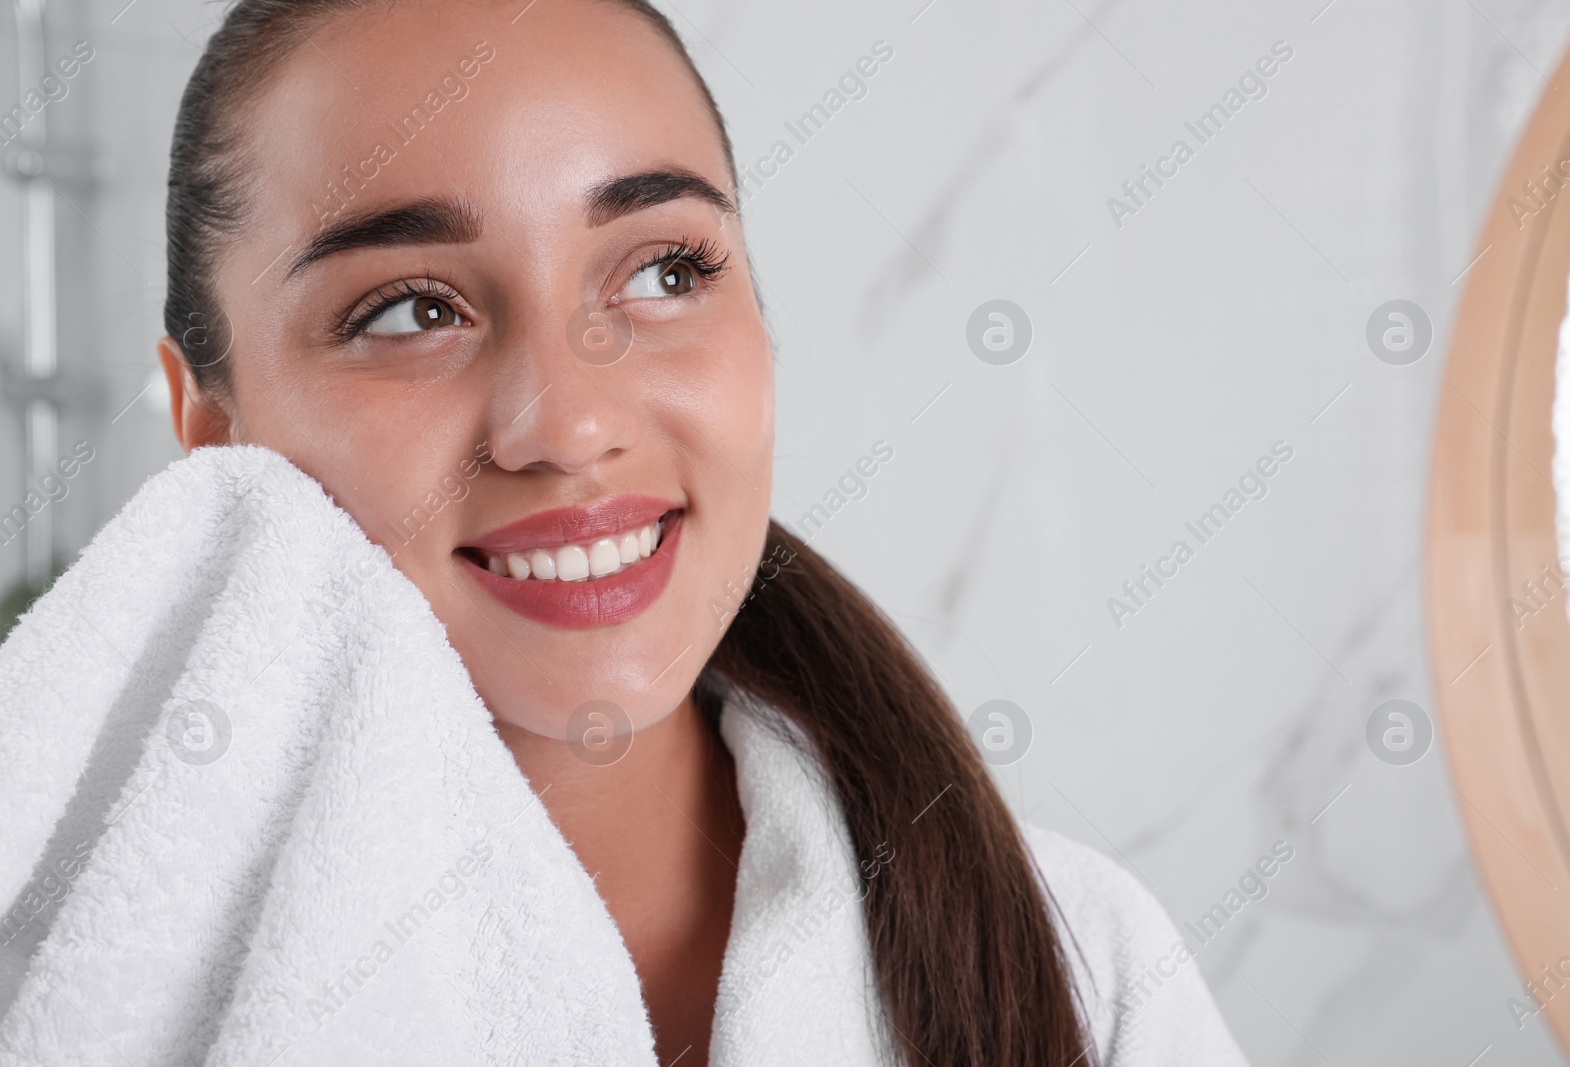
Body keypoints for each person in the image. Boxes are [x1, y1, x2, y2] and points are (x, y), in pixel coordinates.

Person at [8, 0, 1249, 1063]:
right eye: (409, 309)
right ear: (210, 430)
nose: (570, 419)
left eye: (663, 270)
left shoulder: (1083, 970)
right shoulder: (70, 960)